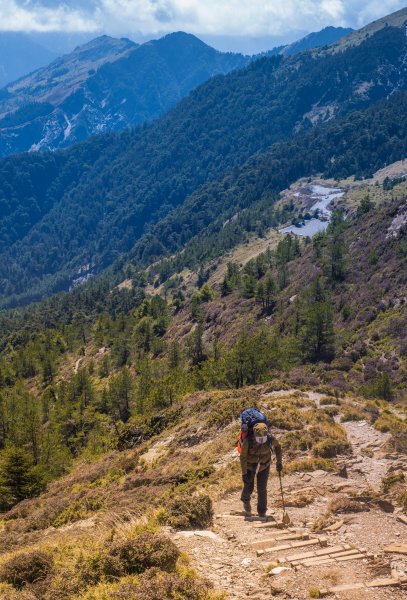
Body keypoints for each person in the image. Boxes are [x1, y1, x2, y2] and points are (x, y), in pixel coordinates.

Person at [239, 422, 283, 517]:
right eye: (259, 439)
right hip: (250, 466)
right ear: (254, 435)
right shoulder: (248, 441)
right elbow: (243, 457)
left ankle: (262, 512)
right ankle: (245, 501)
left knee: (262, 489)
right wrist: (244, 473)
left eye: (263, 439)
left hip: (264, 465)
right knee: (248, 486)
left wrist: (279, 462)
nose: (261, 441)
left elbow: (278, 448)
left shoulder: (270, 438)